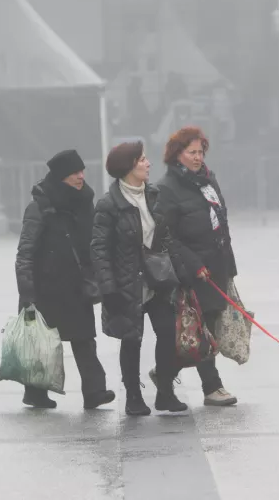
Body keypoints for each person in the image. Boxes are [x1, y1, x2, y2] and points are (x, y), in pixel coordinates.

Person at [91, 141, 189, 416]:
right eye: (143, 160)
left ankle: (166, 393)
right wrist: (108, 288)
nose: (148, 164)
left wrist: (181, 272)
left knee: (168, 333)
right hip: (126, 284)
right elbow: (99, 250)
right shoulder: (109, 205)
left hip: (157, 280)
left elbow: (166, 237)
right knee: (131, 339)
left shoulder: (154, 196)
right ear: (128, 166)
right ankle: (133, 395)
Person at [15, 149, 116, 410]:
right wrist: (27, 292)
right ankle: (35, 393)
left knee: (84, 340)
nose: (81, 176)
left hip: (76, 284)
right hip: (45, 287)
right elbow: (25, 251)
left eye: (82, 171)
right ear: (61, 176)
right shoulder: (40, 206)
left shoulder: (84, 201)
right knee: (42, 343)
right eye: (75, 173)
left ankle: (95, 392)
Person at [156, 126, 239, 407]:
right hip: (194, 270)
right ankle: (212, 387)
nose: (197, 157)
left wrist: (228, 263)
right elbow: (168, 236)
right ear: (177, 155)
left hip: (218, 265)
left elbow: (220, 222)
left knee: (208, 329)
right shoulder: (167, 188)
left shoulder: (207, 180)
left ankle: (165, 370)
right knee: (201, 330)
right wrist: (193, 264)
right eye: (191, 152)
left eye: (201, 151)